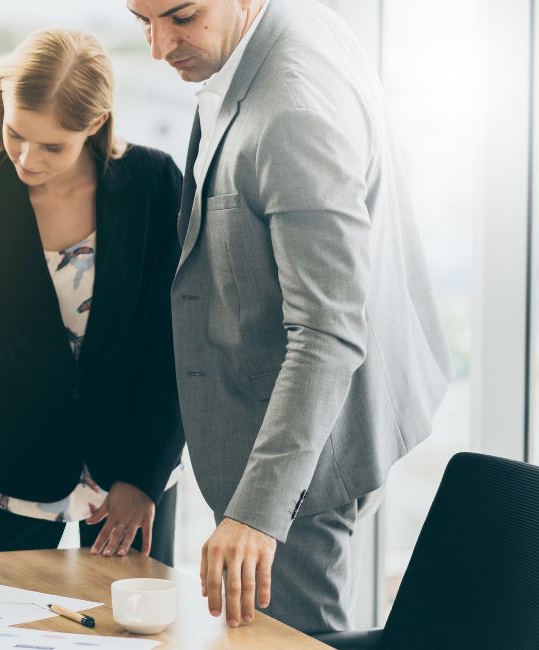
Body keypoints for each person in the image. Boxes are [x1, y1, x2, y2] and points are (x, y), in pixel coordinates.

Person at [125, 0, 453, 634]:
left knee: (291, 642)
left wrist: (257, 514)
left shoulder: (294, 114)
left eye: (182, 17)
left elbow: (327, 331)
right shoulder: (285, 21)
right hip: (288, 415)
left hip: (299, 456)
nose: (159, 47)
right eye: (142, 20)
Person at [0, 28, 184, 570]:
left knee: (125, 632)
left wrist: (145, 476)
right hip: (12, 466)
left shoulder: (155, 185)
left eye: (52, 145)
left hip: (130, 470)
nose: (26, 158)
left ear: (97, 124)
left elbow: (176, 343)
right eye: (17, 133)